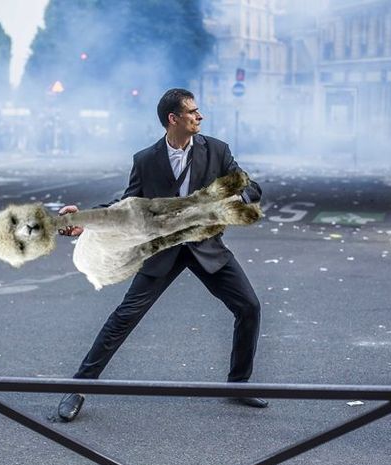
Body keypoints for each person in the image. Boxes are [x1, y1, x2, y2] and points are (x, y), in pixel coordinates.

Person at [56, 88, 265, 422]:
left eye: (198, 112)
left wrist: (236, 197)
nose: (200, 116)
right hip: (163, 250)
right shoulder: (146, 159)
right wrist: (83, 222)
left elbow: (251, 188)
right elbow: (126, 206)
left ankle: (238, 384)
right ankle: (78, 388)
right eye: (193, 112)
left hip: (204, 246)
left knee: (249, 307)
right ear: (174, 119)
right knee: (124, 317)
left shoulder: (217, 150)